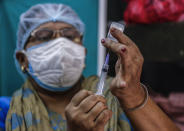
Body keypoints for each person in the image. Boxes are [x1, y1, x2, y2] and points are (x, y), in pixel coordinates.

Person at [5, 3, 180, 131]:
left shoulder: (119, 97)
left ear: (82, 53)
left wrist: (133, 93)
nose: (60, 44)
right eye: (44, 36)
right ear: (22, 59)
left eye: (70, 36)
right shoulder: (5, 111)